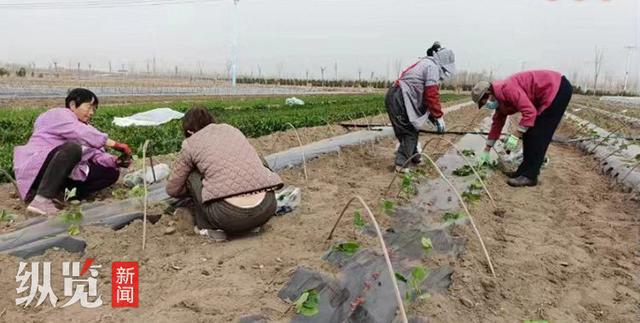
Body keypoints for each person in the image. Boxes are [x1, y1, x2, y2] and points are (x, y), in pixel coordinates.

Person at [165, 107, 283, 241]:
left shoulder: (190, 143)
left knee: (191, 175)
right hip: (267, 208)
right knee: (256, 159)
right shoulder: (231, 130)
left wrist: (195, 189)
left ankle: (208, 226)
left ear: (189, 130)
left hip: (228, 216)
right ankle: (252, 222)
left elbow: (172, 189)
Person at [13, 88, 132, 216]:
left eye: (94, 110)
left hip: (62, 173)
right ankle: (41, 199)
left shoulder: (86, 128)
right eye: (89, 107)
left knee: (110, 172)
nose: (91, 112)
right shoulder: (58, 114)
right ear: (73, 105)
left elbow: (95, 153)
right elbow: (78, 132)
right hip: (40, 167)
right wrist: (115, 144)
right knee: (72, 148)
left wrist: (116, 161)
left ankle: (60, 195)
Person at [472, 70, 573, 187]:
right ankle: (522, 172)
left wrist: (515, 136)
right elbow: (497, 124)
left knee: (538, 134)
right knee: (529, 133)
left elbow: (530, 113)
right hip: (547, 94)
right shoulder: (500, 101)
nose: (487, 105)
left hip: (557, 89)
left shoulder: (507, 89)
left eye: (484, 102)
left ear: (489, 93)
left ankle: (530, 176)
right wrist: (486, 150)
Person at [385, 42, 456, 172]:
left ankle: (414, 156)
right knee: (408, 131)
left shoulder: (425, 63)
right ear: (442, 64)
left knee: (410, 129)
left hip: (396, 95)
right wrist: (439, 117)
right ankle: (401, 164)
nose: (444, 74)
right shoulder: (432, 67)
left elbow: (425, 98)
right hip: (399, 98)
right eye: (445, 70)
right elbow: (431, 94)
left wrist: (433, 117)